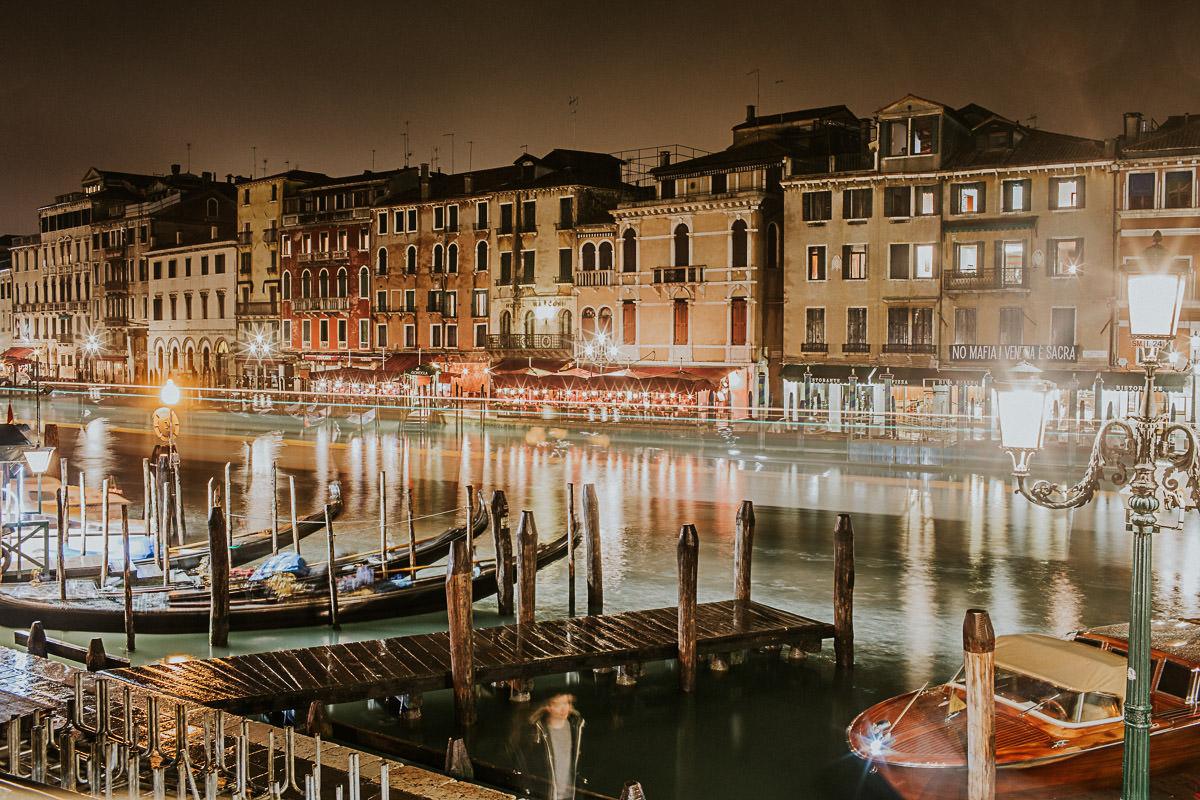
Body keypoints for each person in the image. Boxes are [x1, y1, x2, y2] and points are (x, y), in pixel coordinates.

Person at [519, 692, 585, 800]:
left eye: (566, 703)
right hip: (545, 796)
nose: (563, 709)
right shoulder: (536, 733)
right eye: (557, 704)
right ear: (548, 706)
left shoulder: (577, 728)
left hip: (571, 796)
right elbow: (527, 768)